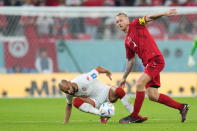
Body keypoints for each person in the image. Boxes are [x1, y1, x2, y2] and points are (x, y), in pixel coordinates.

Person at [115, 9, 189, 123]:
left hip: (155, 60)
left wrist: (164, 13)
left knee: (139, 83)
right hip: (149, 64)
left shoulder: (136, 24)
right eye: (117, 22)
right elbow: (131, 61)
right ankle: (182, 107)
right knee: (153, 96)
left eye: (121, 20)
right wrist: (124, 78)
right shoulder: (127, 41)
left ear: (127, 20)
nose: (119, 23)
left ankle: (134, 116)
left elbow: (149, 17)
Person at [58, 66, 138, 124]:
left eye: (68, 88)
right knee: (76, 102)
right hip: (95, 102)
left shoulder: (84, 79)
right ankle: (102, 113)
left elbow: (98, 69)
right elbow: (69, 105)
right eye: (66, 91)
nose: (69, 91)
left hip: (106, 92)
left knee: (119, 91)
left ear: (69, 82)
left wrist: (107, 71)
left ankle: (134, 115)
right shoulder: (68, 94)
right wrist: (66, 121)